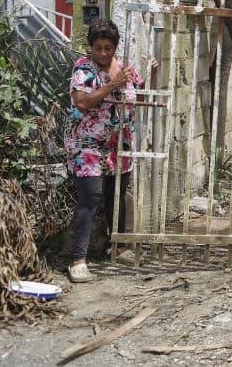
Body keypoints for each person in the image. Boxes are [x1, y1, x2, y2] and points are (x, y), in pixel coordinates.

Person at [65, 19, 143, 282]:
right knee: (91, 197)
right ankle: (78, 260)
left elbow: (140, 94)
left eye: (108, 48)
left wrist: (153, 74)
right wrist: (112, 85)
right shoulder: (83, 68)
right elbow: (82, 101)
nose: (102, 53)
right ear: (91, 47)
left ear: (115, 46)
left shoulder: (124, 68)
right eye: (97, 48)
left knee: (116, 195)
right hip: (87, 145)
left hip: (118, 144)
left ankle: (118, 247)